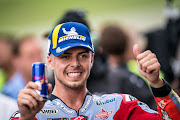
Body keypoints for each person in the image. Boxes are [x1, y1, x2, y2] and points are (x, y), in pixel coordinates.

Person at [10, 22, 180, 120]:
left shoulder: (120, 106)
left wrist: (156, 83)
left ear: (92, 59)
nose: (75, 63)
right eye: (65, 56)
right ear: (50, 61)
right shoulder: (31, 113)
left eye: (82, 56)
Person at [2, 35, 43, 100]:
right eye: (31, 56)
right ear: (16, 60)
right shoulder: (9, 93)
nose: (38, 60)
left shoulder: (49, 85)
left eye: (40, 54)